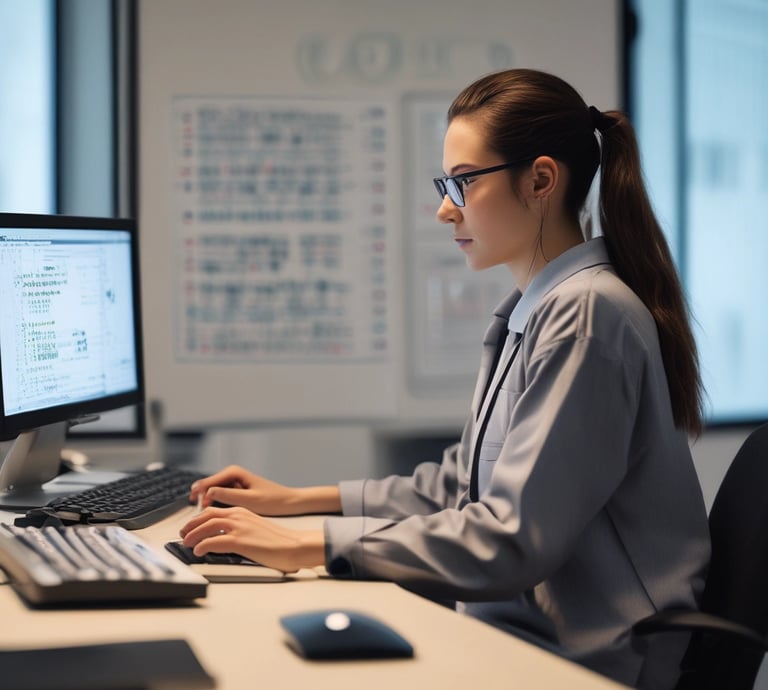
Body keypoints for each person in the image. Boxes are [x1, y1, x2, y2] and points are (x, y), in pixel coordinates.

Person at [180, 68, 710, 689]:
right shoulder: (536, 309)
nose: (442, 209)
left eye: (462, 183)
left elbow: (510, 537)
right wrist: (296, 502)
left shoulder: (585, 314)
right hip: (530, 635)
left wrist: (311, 546)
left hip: (596, 662)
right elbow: (462, 486)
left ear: (540, 180)